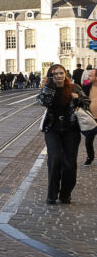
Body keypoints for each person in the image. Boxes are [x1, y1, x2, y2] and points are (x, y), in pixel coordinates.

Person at [37, 64, 90, 204]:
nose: (59, 76)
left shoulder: (74, 87)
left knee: (70, 164)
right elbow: (42, 101)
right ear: (51, 76)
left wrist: (77, 99)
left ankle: (65, 194)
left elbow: (87, 102)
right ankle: (52, 195)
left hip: (71, 130)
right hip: (52, 129)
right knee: (54, 160)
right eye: (55, 74)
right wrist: (50, 85)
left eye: (61, 73)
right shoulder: (48, 88)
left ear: (65, 74)